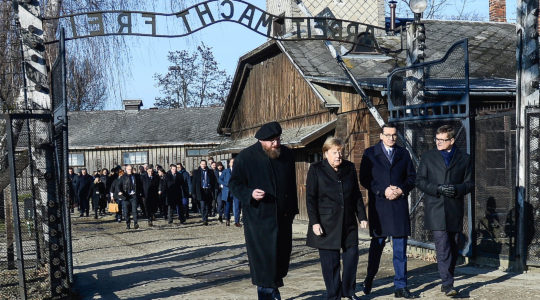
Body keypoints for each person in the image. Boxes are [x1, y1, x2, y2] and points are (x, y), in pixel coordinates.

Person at [229, 121, 299, 300]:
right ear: (261, 140)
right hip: (259, 220)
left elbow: (291, 184)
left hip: (283, 218)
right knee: (264, 263)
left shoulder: (287, 155)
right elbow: (234, 184)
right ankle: (268, 295)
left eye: (278, 139)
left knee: (280, 261)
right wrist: (250, 193)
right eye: (272, 141)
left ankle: (272, 290)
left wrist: (292, 210)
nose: (276, 144)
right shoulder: (246, 157)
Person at [306, 137, 368, 300]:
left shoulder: (349, 167)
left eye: (340, 152)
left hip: (348, 222)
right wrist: (314, 222)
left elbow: (356, 194)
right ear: (326, 153)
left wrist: (362, 216)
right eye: (335, 152)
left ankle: (348, 290)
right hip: (326, 223)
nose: (338, 156)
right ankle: (334, 295)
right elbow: (310, 198)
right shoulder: (316, 169)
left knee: (351, 257)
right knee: (330, 263)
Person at [359, 124, 417, 298]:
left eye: (394, 135)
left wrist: (401, 190)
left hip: (398, 206)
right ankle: (369, 278)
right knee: (376, 248)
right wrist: (382, 190)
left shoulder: (403, 153)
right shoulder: (370, 153)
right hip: (380, 207)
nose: (391, 138)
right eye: (388, 135)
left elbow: (412, 177)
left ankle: (401, 286)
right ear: (381, 135)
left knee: (400, 250)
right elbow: (364, 178)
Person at [416, 125, 474, 297]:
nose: (438, 142)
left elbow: (470, 183)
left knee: (454, 245)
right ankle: (447, 284)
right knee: (443, 246)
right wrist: (438, 188)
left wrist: (457, 189)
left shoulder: (464, 158)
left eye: (442, 140)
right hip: (435, 208)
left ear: (452, 140)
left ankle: (448, 277)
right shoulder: (428, 157)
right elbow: (419, 181)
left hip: (454, 208)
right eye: (437, 139)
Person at [192, 160, 216, 226]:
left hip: (208, 190)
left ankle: (206, 217)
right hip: (200, 190)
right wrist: (193, 192)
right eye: (202, 164)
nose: (203, 165)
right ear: (200, 165)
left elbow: (214, 181)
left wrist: (213, 189)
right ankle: (204, 219)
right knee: (202, 206)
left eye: (204, 164)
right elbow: (193, 183)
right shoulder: (196, 172)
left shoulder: (210, 172)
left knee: (208, 206)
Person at [118, 165, 142, 230]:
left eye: (131, 169)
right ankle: (128, 224)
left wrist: (139, 192)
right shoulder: (123, 177)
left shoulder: (135, 176)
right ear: (126, 170)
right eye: (128, 169)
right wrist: (120, 191)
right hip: (126, 196)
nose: (130, 170)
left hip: (133, 195)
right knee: (126, 211)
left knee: (134, 210)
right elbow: (119, 185)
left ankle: (135, 224)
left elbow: (139, 184)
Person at [218, 159, 236, 226]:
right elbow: (219, 179)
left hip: (236, 191)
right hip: (227, 191)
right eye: (232, 162)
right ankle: (227, 219)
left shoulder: (238, 170)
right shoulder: (226, 171)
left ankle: (236, 220)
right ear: (229, 164)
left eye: (234, 162)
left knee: (236, 206)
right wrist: (226, 184)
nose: (233, 163)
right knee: (228, 206)